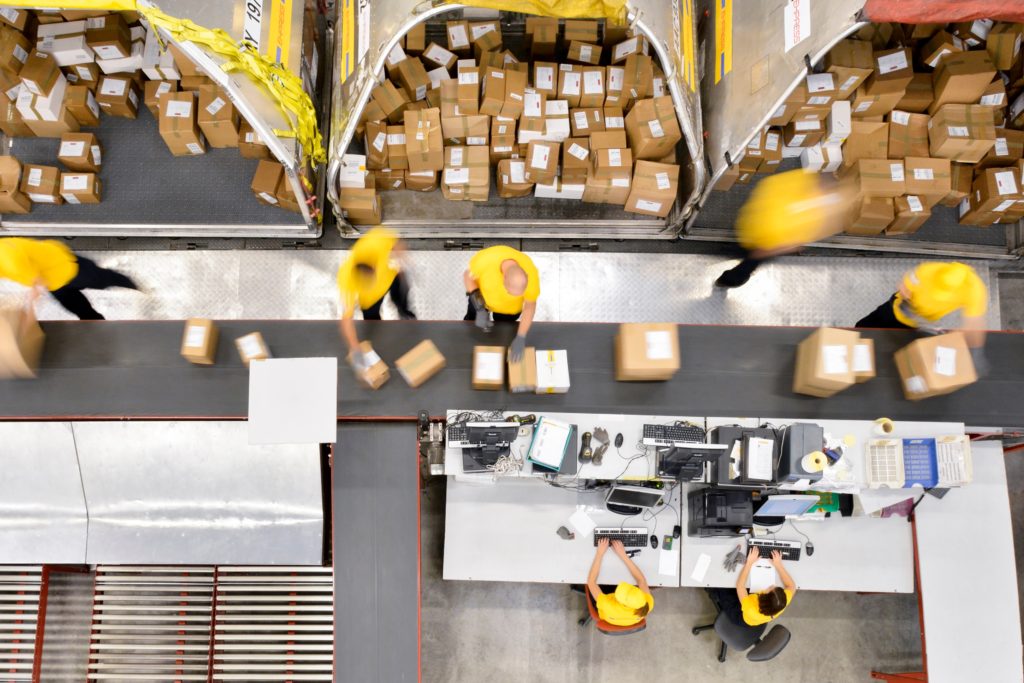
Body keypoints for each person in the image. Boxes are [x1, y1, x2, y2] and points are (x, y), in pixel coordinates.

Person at [715, 169, 853, 289]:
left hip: (749, 230)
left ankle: (725, 253)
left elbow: (767, 185)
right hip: (764, 245)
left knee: (738, 248)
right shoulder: (826, 214)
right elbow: (796, 242)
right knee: (746, 266)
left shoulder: (799, 182)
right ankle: (727, 281)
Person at [855, 261, 988, 350]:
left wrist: (961, 337)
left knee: (888, 347)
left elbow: (974, 325)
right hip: (895, 309)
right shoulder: (928, 270)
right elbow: (904, 287)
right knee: (862, 327)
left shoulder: (975, 290)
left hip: (917, 324)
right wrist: (908, 304)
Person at [0, 237, 138, 320]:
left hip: (67, 267)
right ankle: (98, 326)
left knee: (104, 280)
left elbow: (38, 285)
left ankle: (133, 284)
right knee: (80, 309)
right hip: (54, 283)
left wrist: (27, 313)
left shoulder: (8, 258)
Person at [337, 227, 415, 368]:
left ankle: (404, 312)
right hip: (370, 300)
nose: (372, 278)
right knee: (372, 319)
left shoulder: (375, 240)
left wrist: (402, 260)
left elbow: (397, 243)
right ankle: (376, 335)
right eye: (367, 278)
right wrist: (355, 348)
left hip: (391, 280)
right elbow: (346, 319)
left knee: (401, 298)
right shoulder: (346, 279)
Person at [463, 245, 539, 362]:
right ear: (503, 277)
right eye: (509, 292)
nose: (510, 295)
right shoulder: (485, 260)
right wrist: (480, 308)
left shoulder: (531, 273)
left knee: (503, 332)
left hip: (509, 310)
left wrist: (521, 336)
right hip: (481, 299)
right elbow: (468, 277)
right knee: (471, 324)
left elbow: (529, 306)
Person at [586, 538, 654, 627]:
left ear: (618, 600)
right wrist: (623, 554)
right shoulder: (647, 604)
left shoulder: (607, 605)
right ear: (640, 593)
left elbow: (591, 582)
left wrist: (599, 553)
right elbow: (641, 581)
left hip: (609, 617)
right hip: (629, 620)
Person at [735, 546, 796, 626]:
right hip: (761, 618)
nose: (773, 585)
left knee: (722, 591)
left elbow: (740, 586)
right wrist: (778, 565)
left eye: (771, 588)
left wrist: (749, 563)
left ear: (762, 597)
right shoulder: (782, 602)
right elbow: (792, 586)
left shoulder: (750, 608)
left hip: (744, 619)